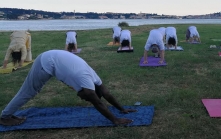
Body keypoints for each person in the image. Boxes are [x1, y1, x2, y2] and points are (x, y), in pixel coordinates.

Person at [0, 50, 136, 126]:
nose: (82, 99)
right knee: (28, 92)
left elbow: (107, 94)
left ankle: (8, 114)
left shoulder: (93, 79)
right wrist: (115, 120)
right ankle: (5, 117)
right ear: (89, 91)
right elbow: (98, 102)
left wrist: (122, 109)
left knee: (30, 92)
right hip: (46, 62)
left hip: (52, 58)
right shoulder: (86, 83)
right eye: (86, 98)